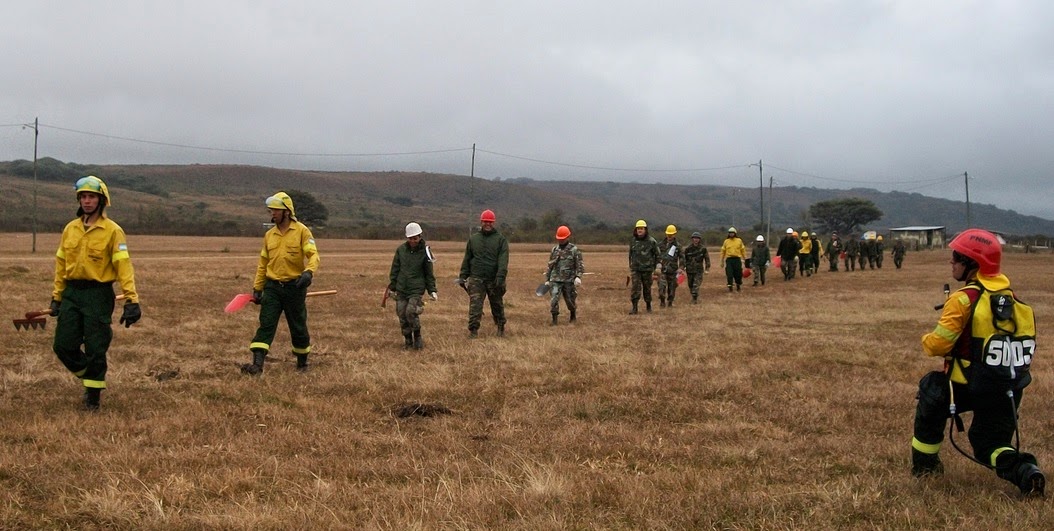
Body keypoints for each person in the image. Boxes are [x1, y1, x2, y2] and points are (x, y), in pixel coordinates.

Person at [912, 229, 1044, 496]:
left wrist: (925, 337)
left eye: (955, 258)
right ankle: (1024, 470)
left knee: (931, 388)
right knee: (989, 444)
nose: (951, 263)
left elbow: (938, 345)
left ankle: (925, 467)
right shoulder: (1017, 303)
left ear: (973, 264)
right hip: (1008, 389)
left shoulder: (962, 300)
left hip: (966, 387)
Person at [50, 176, 141, 411]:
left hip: (98, 295)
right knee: (63, 345)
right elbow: (61, 266)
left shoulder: (113, 231)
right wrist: (57, 296)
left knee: (95, 347)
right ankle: (90, 377)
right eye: (83, 197)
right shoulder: (70, 229)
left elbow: (124, 266)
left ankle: (93, 397)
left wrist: (131, 299)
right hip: (72, 292)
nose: (87, 201)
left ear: (102, 200)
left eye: (91, 197)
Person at [242, 192, 320, 375]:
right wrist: (258, 287)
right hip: (272, 287)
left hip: (295, 287)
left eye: (275, 211)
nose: (272, 214)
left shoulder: (302, 231)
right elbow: (263, 264)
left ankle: (302, 364)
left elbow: (313, 255)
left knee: (298, 325)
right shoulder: (269, 235)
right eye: (271, 211)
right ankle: (257, 365)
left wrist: (309, 273)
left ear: (286, 212)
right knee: (266, 324)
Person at [458, 209, 509, 338]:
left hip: (494, 279)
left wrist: (500, 276)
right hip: (476, 278)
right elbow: (467, 258)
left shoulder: (500, 240)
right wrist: (463, 276)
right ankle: (473, 331)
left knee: (497, 304)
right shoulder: (473, 239)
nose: (488, 224)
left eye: (490, 222)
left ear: (494, 223)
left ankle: (500, 327)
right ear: (481, 222)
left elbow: (503, 260)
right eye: (486, 221)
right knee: (475, 306)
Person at [388, 222, 437, 349]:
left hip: (416, 289)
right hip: (402, 288)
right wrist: (392, 286)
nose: (413, 241)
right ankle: (408, 340)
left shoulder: (425, 252)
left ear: (420, 236)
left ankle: (418, 337)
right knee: (402, 314)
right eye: (410, 238)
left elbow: (429, 273)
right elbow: (395, 268)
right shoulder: (401, 250)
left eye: (415, 238)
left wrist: (432, 290)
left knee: (410, 312)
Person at [545, 225, 584, 325]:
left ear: (568, 237)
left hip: (568, 280)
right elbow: (550, 265)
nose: (561, 241)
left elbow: (579, 265)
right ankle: (554, 320)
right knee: (554, 299)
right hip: (555, 279)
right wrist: (547, 279)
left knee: (570, 301)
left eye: (563, 239)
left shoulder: (574, 250)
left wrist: (578, 276)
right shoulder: (554, 250)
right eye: (559, 239)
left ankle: (573, 315)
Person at [628, 219, 660, 314]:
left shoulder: (651, 241)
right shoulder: (633, 241)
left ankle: (648, 306)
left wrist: (658, 267)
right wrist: (631, 266)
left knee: (647, 288)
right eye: (638, 229)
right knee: (635, 288)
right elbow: (630, 254)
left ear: (645, 230)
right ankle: (634, 308)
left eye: (641, 229)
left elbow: (658, 255)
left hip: (647, 269)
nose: (639, 230)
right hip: (636, 270)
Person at [656, 225, 685, 307]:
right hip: (662, 270)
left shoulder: (678, 246)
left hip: (673, 271)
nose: (669, 236)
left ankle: (670, 302)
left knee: (672, 289)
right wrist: (657, 265)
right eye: (668, 235)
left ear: (674, 234)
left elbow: (682, 258)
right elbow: (656, 256)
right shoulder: (660, 245)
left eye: (671, 235)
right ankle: (662, 301)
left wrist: (681, 268)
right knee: (661, 287)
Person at [683, 232, 711, 303]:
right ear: (692, 239)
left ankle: (694, 299)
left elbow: (707, 259)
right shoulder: (688, 249)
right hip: (689, 270)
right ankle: (694, 296)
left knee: (696, 285)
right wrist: (683, 267)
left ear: (699, 239)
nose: (696, 240)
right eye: (694, 238)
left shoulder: (703, 249)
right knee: (690, 285)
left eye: (697, 238)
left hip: (698, 270)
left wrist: (707, 268)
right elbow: (683, 259)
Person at [720, 227, 747, 292]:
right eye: (730, 233)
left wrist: (745, 258)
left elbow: (743, 250)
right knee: (729, 273)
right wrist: (722, 260)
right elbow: (723, 251)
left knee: (738, 274)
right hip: (729, 260)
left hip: (737, 259)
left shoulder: (739, 240)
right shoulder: (726, 241)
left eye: (732, 233)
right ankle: (730, 287)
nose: (731, 234)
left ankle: (738, 285)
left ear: (735, 233)